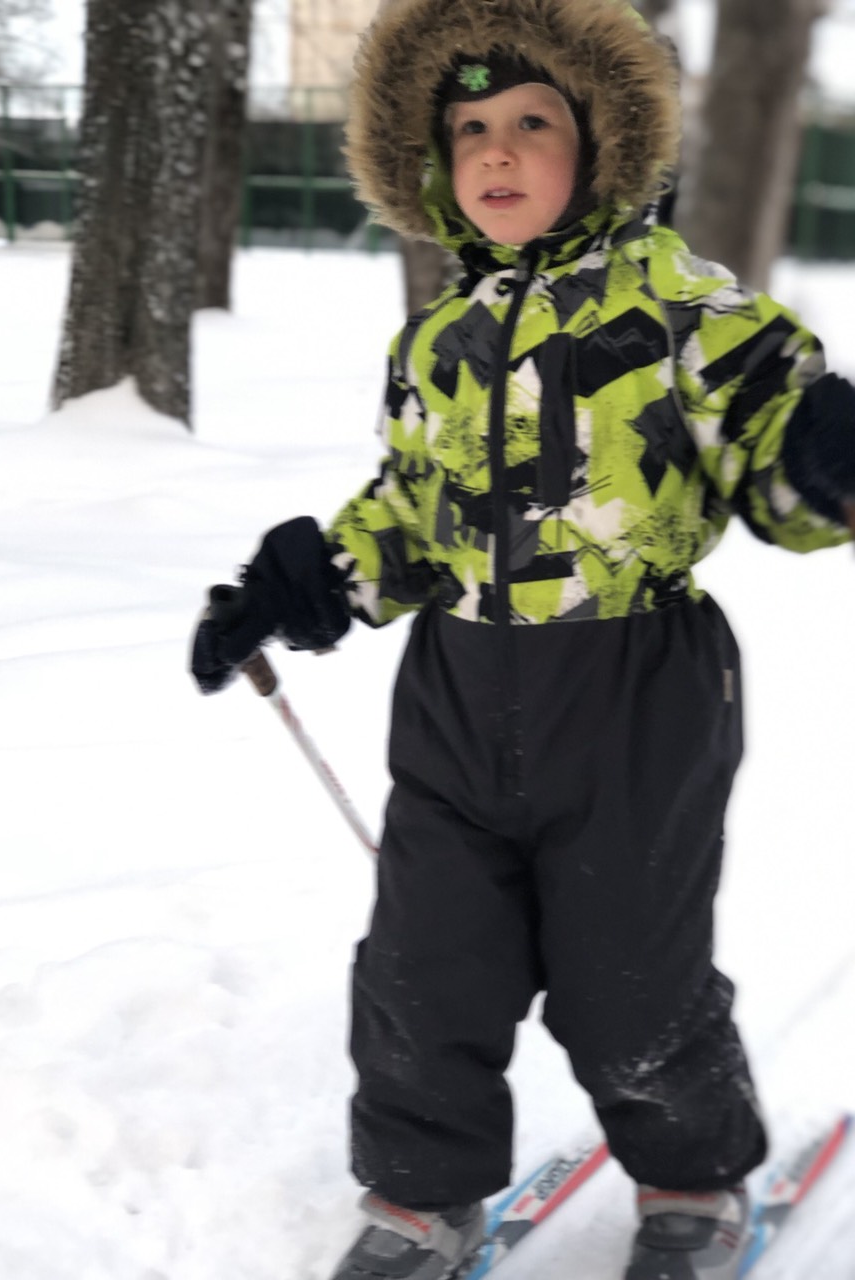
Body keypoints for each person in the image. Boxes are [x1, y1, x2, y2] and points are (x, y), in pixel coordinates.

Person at [190, 1, 855, 1276]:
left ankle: (691, 1178)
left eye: (534, 122)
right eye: (469, 129)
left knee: (629, 977)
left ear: (601, 144)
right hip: (454, 688)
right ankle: (421, 1195)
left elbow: (769, 431)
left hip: (633, 688)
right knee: (420, 966)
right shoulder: (437, 340)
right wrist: (296, 586)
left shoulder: (680, 305)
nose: (497, 149)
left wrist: (822, 449)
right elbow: (411, 513)